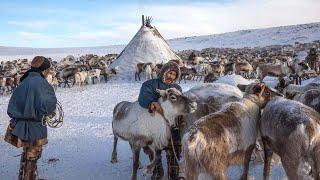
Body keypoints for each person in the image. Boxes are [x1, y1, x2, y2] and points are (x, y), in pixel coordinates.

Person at [4, 56, 57, 180]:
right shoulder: (42, 84)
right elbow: (48, 107)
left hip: (20, 126)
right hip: (35, 127)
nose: (49, 72)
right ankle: (28, 177)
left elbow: (12, 106)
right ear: (44, 70)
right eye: (48, 69)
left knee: (27, 153)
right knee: (32, 156)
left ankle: (22, 176)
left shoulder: (24, 81)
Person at [138, 60, 182, 180]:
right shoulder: (150, 84)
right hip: (153, 122)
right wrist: (151, 102)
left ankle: (173, 174)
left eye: (174, 74)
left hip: (171, 124)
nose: (171, 76)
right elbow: (143, 98)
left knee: (174, 148)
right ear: (163, 72)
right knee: (153, 148)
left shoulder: (177, 87)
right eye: (169, 73)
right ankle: (157, 172)